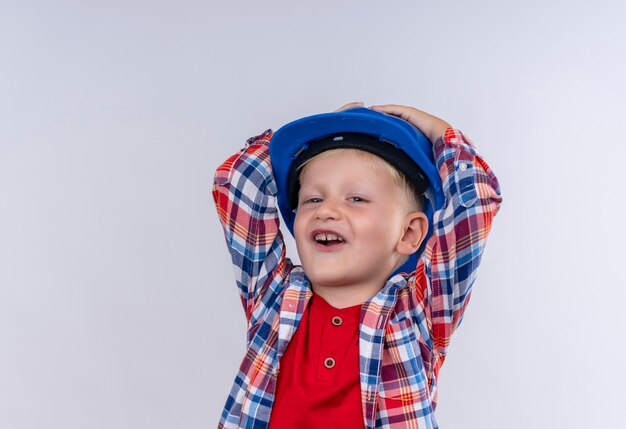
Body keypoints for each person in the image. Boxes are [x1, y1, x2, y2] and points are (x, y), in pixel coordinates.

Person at [212, 102, 502, 428]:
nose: (327, 211)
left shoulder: (418, 313)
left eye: (356, 199)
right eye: (313, 199)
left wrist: (442, 134)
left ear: (408, 233)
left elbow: (474, 204)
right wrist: (306, 132)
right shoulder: (273, 297)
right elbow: (237, 183)